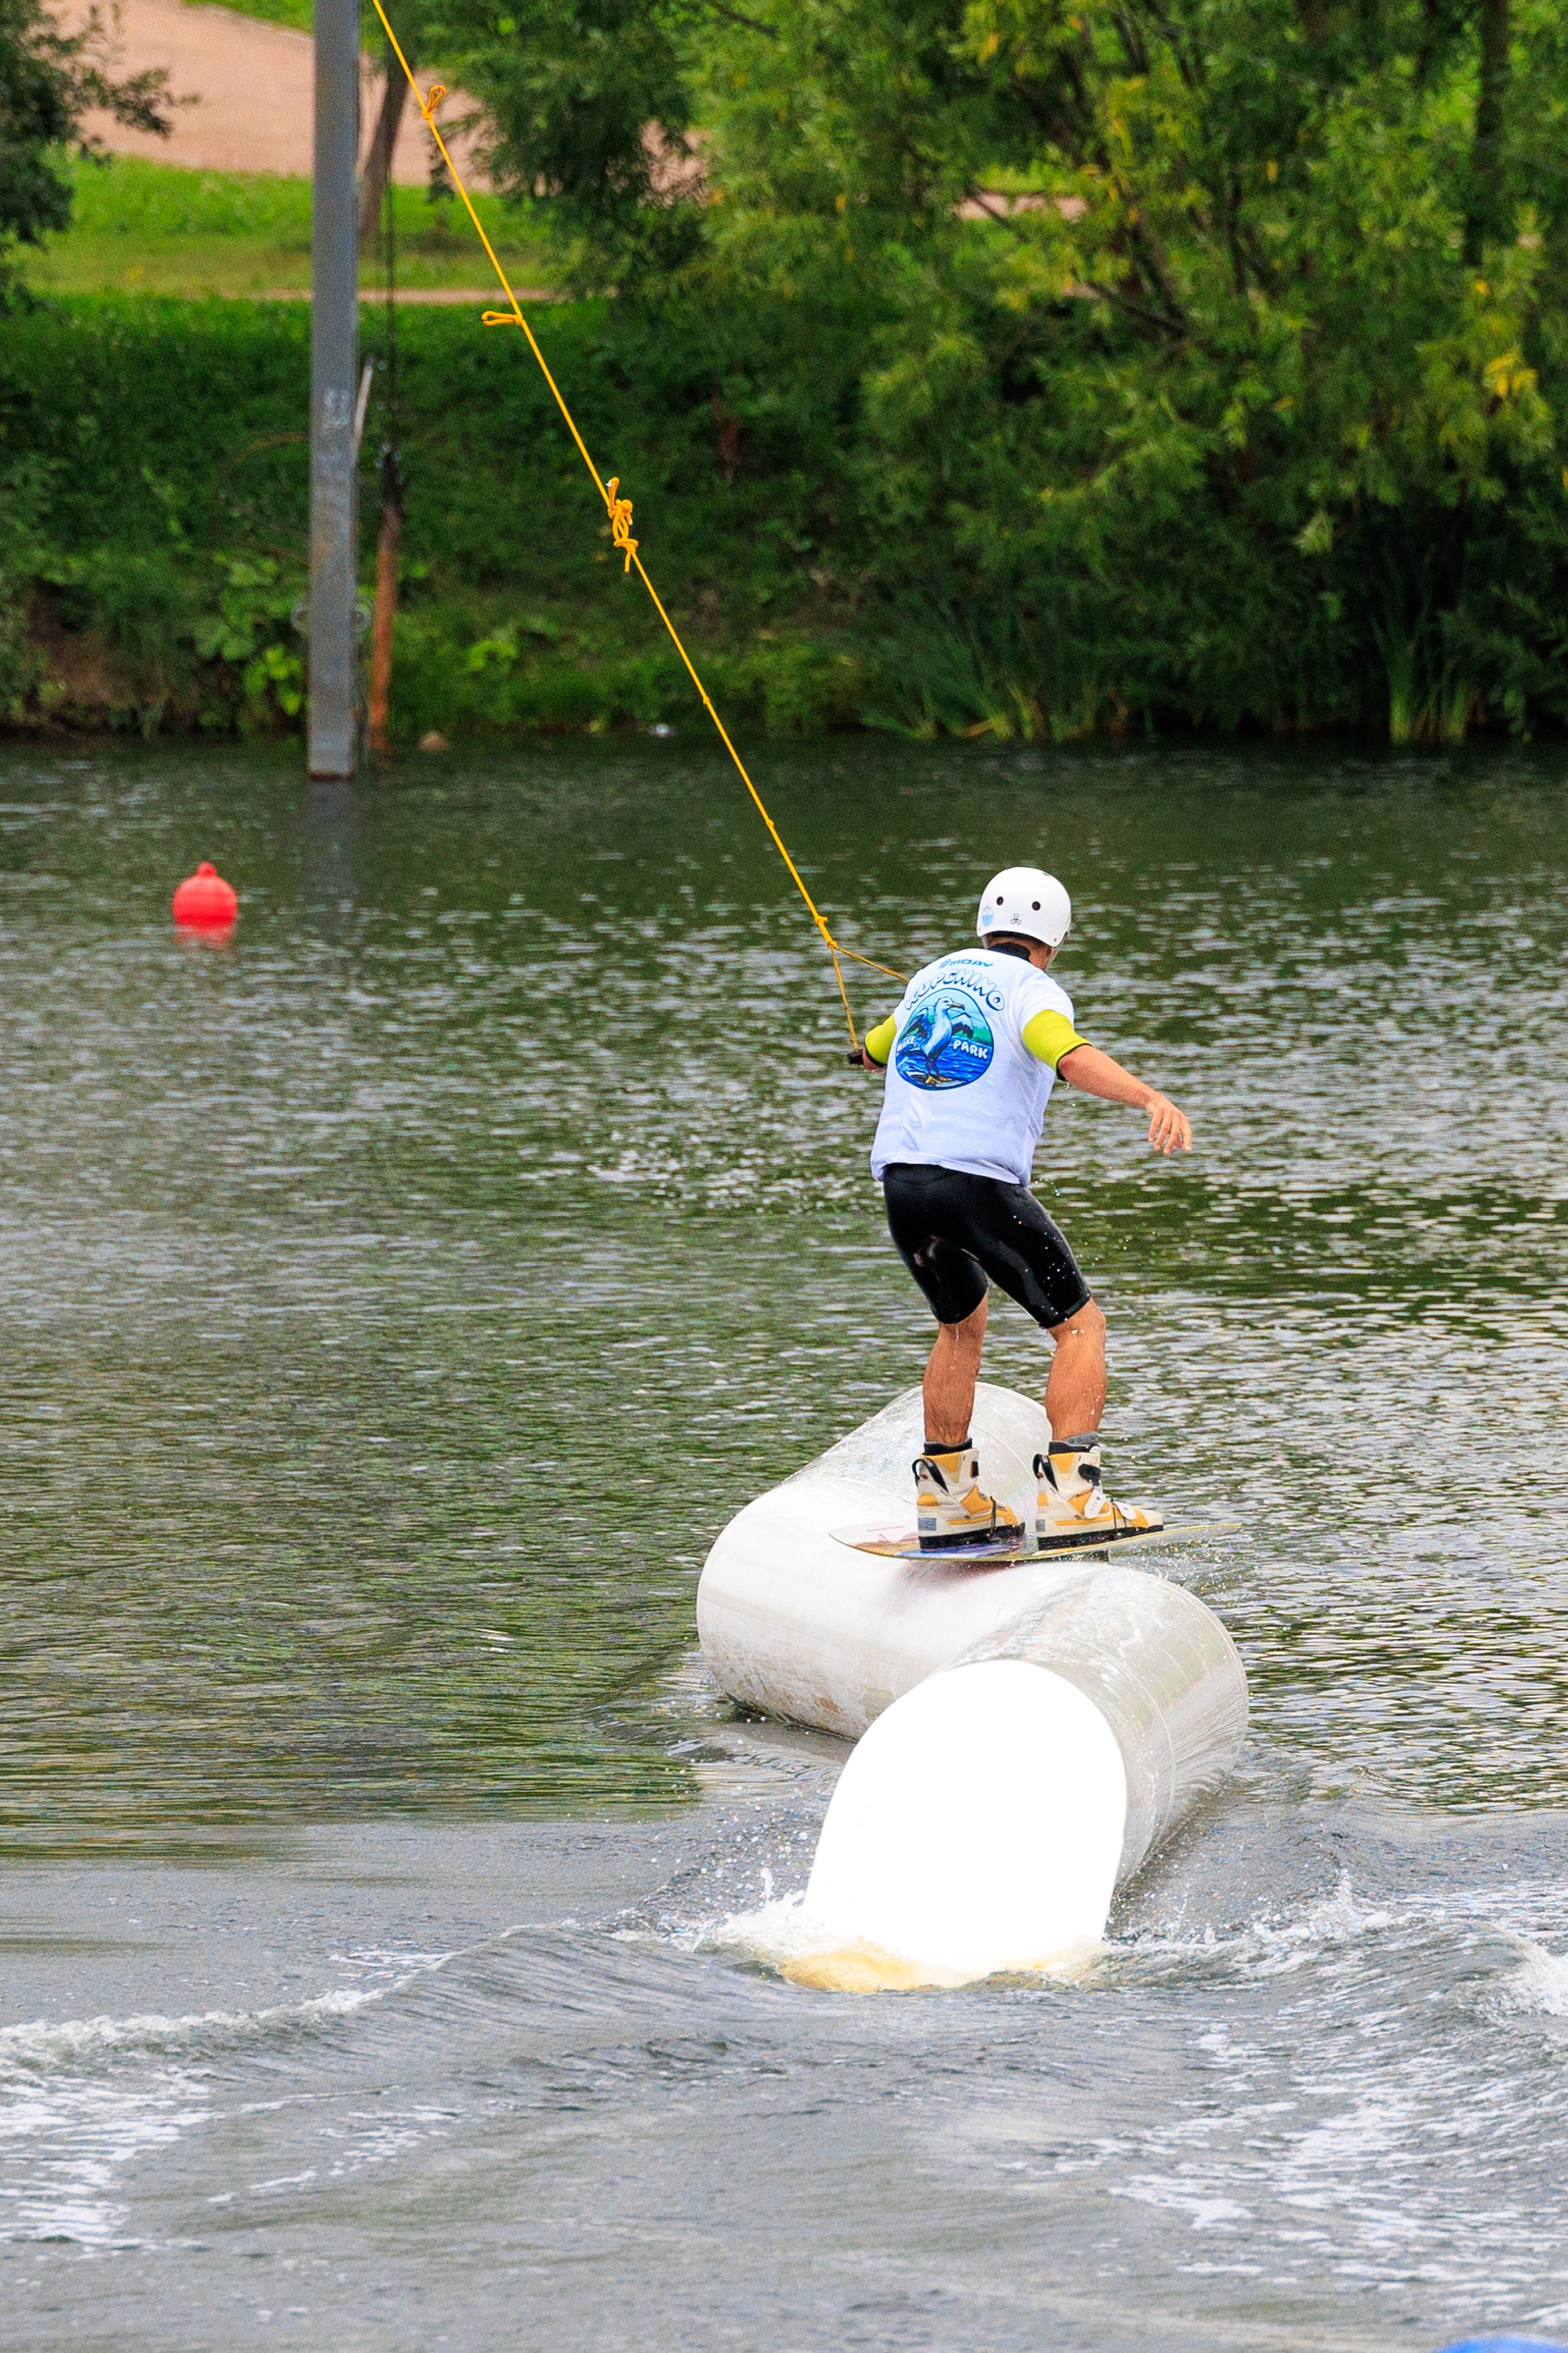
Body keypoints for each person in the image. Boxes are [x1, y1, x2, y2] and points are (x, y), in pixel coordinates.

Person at [853, 865, 1192, 1553]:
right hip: (973, 1185)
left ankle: (947, 1502)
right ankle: (1073, 1499)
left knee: (959, 1325)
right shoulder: (1037, 992)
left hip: (903, 1187)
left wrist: (863, 1050)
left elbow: (878, 1049)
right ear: (1055, 940)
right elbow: (1065, 1054)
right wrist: (1149, 1098)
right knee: (1079, 1327)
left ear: (983, 925)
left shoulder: (930, 976)